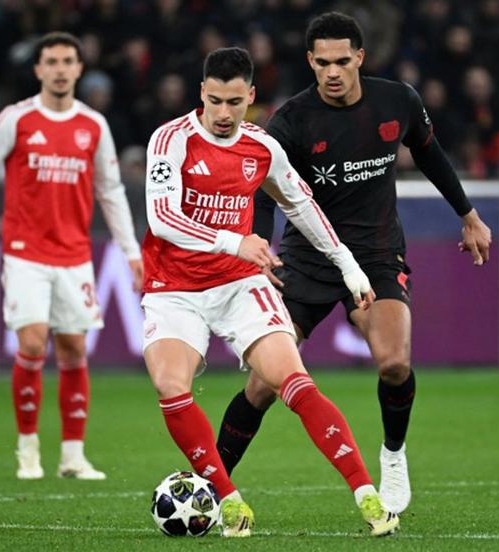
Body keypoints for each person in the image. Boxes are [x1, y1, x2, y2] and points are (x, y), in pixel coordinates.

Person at [215, 12, 493, 516]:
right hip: (307, 260)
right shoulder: (291, 121)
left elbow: (430, 154)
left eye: (342, 61)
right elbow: (263, 190)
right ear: (310, 61)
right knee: (261, 386)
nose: (333, 72)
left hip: (376, 255)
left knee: (395, 363)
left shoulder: (397, 101)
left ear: (360, 57)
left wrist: (468, 215)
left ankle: (393, 456)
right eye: (322, 63)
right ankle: (211, 488)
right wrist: (256, 242)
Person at [141, 46, 398, 538]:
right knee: (171, 387)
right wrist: (234, 241)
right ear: (201, 93)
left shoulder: (261, 147)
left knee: (293, 380)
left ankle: (368, 495)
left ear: (251, 96)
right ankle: (229, 500)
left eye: (235, 102)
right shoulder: (171, 140)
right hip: (174, 289)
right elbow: (163, 218)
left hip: (239, 284)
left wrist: (348, 265)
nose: (223, 113)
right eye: (215, 101)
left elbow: (301, 204)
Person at [0, 32, 143, 481]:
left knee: (74, 347)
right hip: (25, 251)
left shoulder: (93, 125)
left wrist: (131, 251)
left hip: (74, 253)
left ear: (79, 69)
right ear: (38, 69)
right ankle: (28, 451)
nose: (60, 69)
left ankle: (73, 457)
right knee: (33, 341)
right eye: (52, 62)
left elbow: (110, 191)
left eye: (67, 61)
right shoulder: (16, 119)